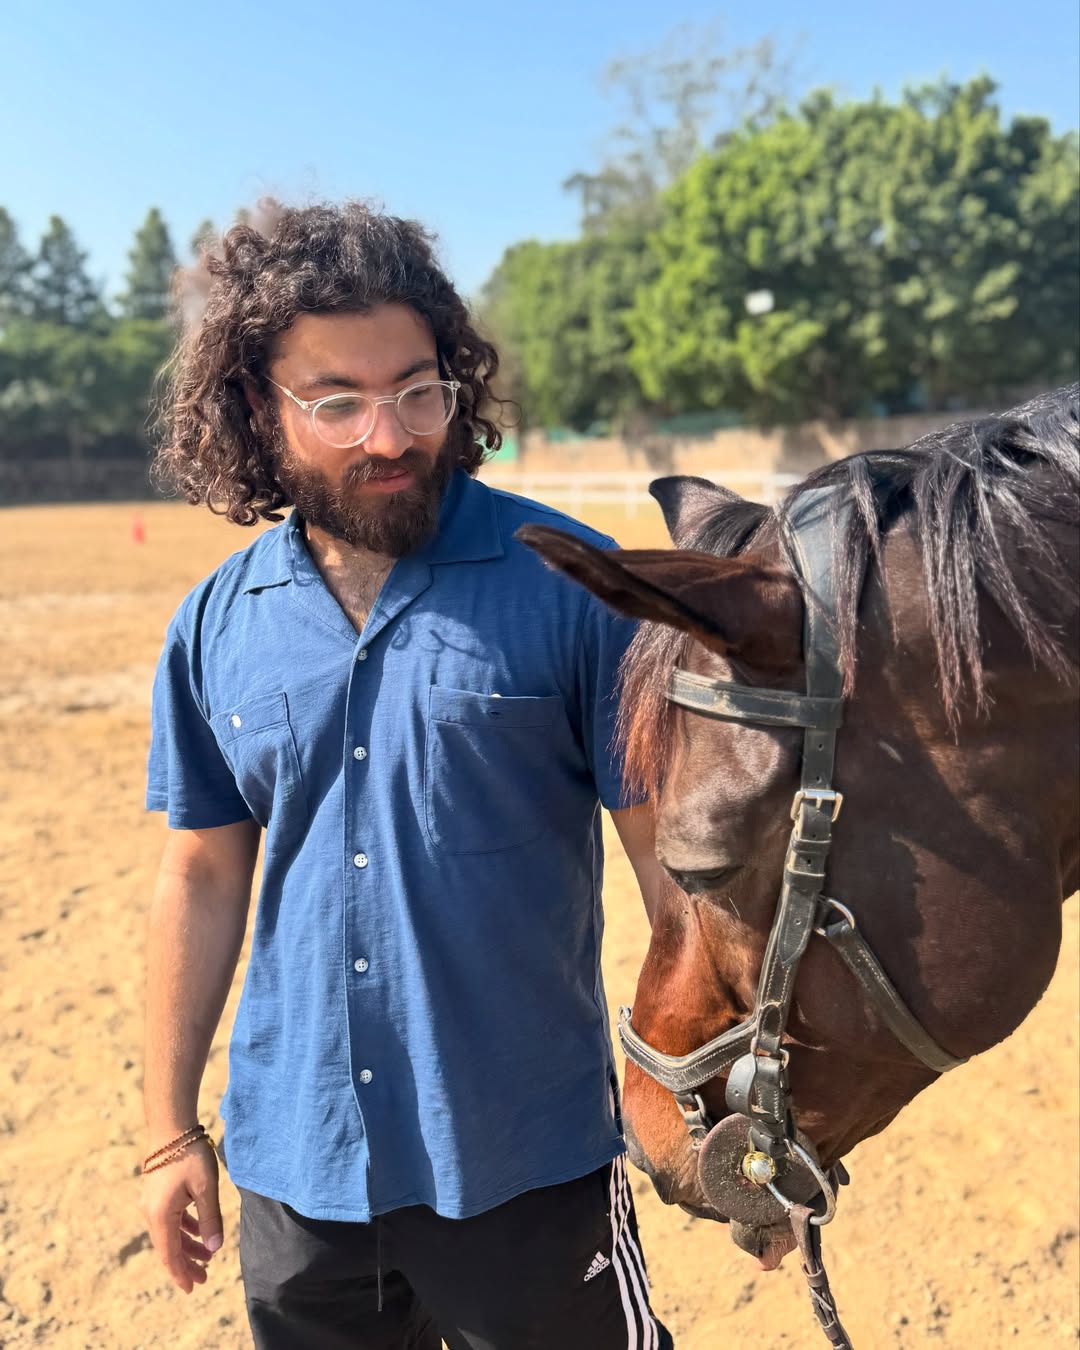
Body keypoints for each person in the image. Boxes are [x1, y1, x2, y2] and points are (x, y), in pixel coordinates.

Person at [142, 199, 673, 1350]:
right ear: (255, 407)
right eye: (338, 402)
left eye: (417, 390)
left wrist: (713, 1112)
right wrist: (169, 1130)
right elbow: (202, 876)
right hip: (296, 1172)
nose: (389, 436)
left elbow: (670, 873)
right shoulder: (214, 625)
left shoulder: (574, 588)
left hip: (526, 1161)